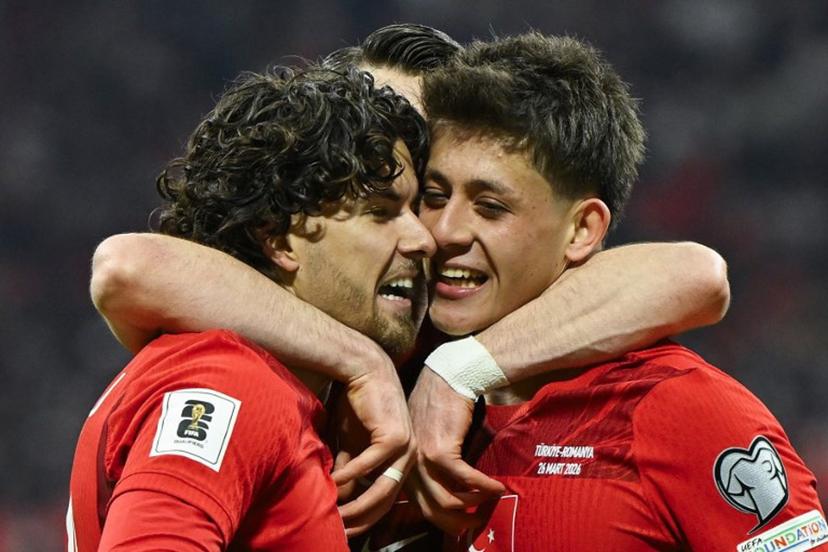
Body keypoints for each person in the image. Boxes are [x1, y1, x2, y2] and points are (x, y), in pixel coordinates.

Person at [88, 25, 731, 536]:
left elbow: (695, 275)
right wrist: (359, 360)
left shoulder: (450, 351)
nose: (433, 232)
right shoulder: (245, 371)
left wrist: (455, 372)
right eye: (378, 192)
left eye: (413, 178)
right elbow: (129, 267)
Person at [401, 32, 824, 551]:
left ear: (582, 230)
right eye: (434, 196)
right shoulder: (402, 390)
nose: (445, 231)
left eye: (491, 208)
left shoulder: (679, 408)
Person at [68, 65, 435, 551]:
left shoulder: (268, 383)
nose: (422, 239)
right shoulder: (232, 381)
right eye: (380, 213)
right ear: (277, 238)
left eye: (415, 211)